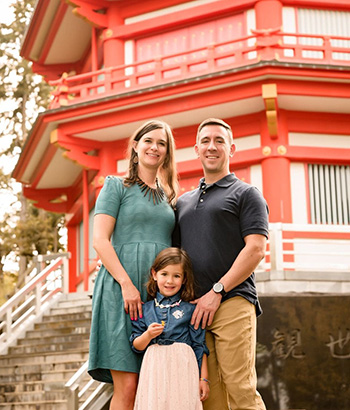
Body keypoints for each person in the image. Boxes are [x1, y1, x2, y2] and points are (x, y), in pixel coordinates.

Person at [174, 118, 269, 410]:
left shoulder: (246, 193)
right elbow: (173, 254)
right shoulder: (183, 202)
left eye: (219, 140)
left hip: (231, 301)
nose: (211, 147)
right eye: (205, 141)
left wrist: (217, 291)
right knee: (209, 396)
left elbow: (256, 249)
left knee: (240, 389)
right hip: (194, 309)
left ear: (232, 148)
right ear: (196, 149)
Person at [88, 119, 178, 410]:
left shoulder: (169, 196)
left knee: (156, 382)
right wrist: (127, 285)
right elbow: (100, 240)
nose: (155, 147)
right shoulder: (116, 186)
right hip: (121, 292)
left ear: (167, 152)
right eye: (149, 140)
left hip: (158, 295)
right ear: (136, 146)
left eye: (162, 143)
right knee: (127, 385)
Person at [130, 247, 210, 410]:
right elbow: (136, 345)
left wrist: (204, 379)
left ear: (184, 279)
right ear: (154, 274)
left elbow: (200, 346)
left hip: (183, 366)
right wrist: (147, 335)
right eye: (164, 274)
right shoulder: (144, 309)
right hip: (155, 368)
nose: (169, 281)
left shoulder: (191, 310)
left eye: (176, 276)